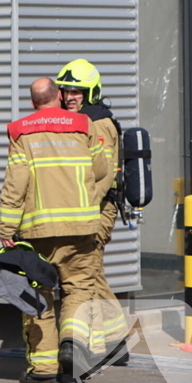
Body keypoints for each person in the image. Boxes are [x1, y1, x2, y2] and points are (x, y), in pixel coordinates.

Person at [0, 78, 108, 383]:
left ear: (33, 102)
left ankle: (44, 369)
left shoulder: (21, 130)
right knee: (78, 290)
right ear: (58, 96)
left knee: (39, 295)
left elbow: (15, 184)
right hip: (81, 228)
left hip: (37, 230)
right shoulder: (84, 124)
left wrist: (7, 227)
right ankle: (71, 345)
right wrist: (90, 201)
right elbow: (101, 170)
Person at [56, 59, 130, 365]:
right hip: (87, 208)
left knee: (87, 273)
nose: (70, 96)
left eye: (77, 91)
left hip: (98, 209)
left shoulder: (98, 124)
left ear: (92, 93)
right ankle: (115, 343)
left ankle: (110, 343)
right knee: (91, 272)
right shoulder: (80, 121)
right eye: (66, 91)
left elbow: (104, 176)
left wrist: (82, 210)